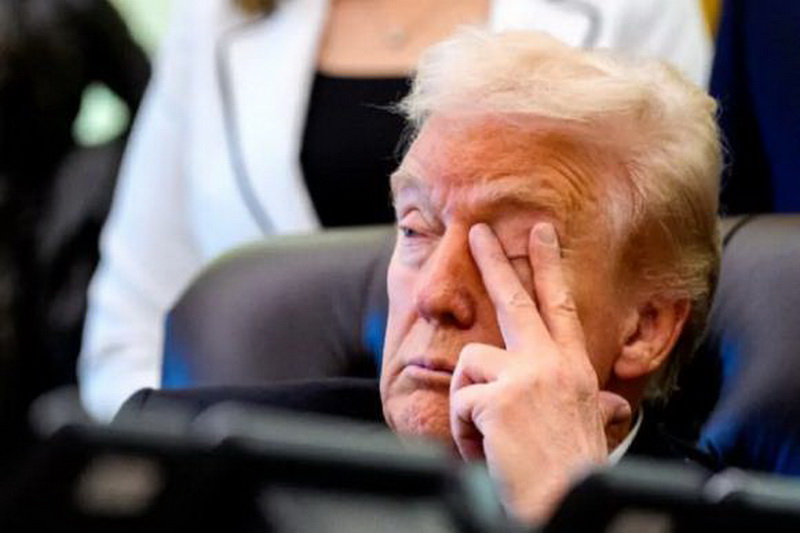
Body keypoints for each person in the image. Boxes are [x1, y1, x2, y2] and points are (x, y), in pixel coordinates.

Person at [119, 28, 723, 525]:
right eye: (416, 231)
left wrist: (565, 510)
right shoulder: (195, 456)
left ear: (645, 328)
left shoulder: (726, 519)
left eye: (511, 253)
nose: (436, 294)